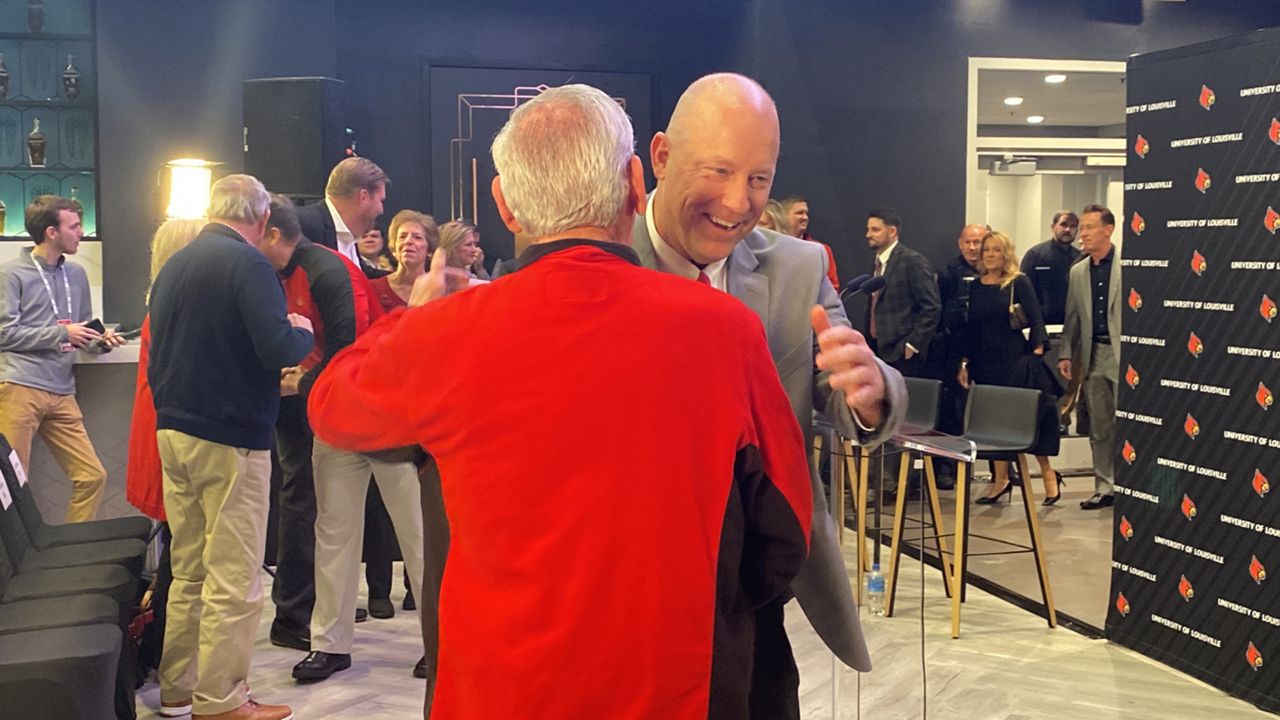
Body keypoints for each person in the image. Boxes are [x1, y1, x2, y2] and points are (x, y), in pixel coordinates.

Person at [308, 83, 814, 719]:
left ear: (506, 206)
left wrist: (413, 317)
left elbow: (331, 404)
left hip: (499, 689)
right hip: (669, 683)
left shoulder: (446, 334)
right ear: (637, 181)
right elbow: (785, 529)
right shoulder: (724, 331)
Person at [632, 73, 907, 718]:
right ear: (663, 157)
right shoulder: (606, 258)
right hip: (635, 595)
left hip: (754, 593)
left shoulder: (798, 266)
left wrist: (870, 390)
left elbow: (852, 390)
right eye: (720, 171)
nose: (738, 200)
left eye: (759, 178)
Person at [148, 174, 313, 720]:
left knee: (189, 569)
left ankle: (177, 689)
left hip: (173, 428)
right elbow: (275, 347)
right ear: (263, 221)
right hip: (230, 435)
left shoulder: (176, 262)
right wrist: (301, 330)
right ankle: (220, 700)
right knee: (235, 575)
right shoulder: (247, 264)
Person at [252, 194, 426, 682]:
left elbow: (352, 349)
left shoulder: (330, 272)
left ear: (271, 233)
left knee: (416, 534)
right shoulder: (276, 275)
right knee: (333, 532)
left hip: (383, 417)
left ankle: (440, 638)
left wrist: (300, 382)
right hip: (335, 419)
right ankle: (331, 643)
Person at [0, 195, 124, 523]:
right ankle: (8, 569)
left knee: (92, 477)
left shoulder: (77, 275)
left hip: (62, 390)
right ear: (51, 232)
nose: (81, 232)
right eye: (75, 226)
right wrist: (61, 334)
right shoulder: (12, 274)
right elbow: (3, 334)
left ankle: (71, 555)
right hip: (20, 387)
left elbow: (83, 335)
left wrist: (101, 342)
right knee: (11, 486)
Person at [125, 217, 204, 680]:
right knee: (182, 554)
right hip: (173, 429)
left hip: (158, 425)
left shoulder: (162, 301)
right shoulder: (180, 306)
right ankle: (162, 651)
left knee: (178, 550)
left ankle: (160, 648)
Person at [956, 231, 1062, 504]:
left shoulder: (1019, 282)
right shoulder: (977, 286)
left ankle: (1049, 475)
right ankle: (1001, 480)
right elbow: (971, 329)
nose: (990, 255)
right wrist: (965, 362)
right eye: (986, 250)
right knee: (995, 424)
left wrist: (1034, 359)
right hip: (984, 363)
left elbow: (1037, 322)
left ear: (1006, 254)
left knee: (1028, 421)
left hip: (1014, 362)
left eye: (996, 250)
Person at [1059, 204, 1121, 510]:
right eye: (1081, 228)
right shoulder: (1078, 271)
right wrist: (1066, 353)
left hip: (1124, 355)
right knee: (1100, 425)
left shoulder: (1129, 265)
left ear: (1108, 229)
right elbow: (1072, 318)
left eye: (1089, 227)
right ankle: (1104, 486)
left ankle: (1133, 485)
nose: (1082, 233)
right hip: (1094, 353)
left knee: (1131, 424)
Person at [930, 222, 988, 489]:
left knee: (988, 409)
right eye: (969, 242)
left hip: (987, 349)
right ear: (960, 243)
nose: (973, 248)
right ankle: (947, 467)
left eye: (979, 242)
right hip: (953, 350)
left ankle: (1001, 470)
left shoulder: (996, 271)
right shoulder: (948, 273)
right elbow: (938, 313)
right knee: (951, 410)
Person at [865, 207, 940, 377]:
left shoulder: (912, 261)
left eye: (875, 229)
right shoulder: (877, 264)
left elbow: (931, 307)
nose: (868, 234)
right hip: (876, 351)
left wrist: (912, 345)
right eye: (868, 229)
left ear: (892, 231)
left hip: (902, 355)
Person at [295, 157, 389, 274]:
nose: (381, 210)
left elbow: (360, 277)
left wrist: (403, 281)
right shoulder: (301, 226)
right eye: (380, 201)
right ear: (363, 197)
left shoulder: (348, 236)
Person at [1021, 211, 1080, 327]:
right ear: (1053, 227)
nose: (1068, 229)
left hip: (1071, 325)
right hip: (1040, 324)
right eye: (1063, 224)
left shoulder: (1080, 258)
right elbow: (1023, 291)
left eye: (1073, 226)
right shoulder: (1035, 255)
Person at [370, 210, 438, 310]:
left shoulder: (438, 290)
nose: (408, 241)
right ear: (394, 248)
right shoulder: (374, 288)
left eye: (417, 237)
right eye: (402, 237)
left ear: (429, 250)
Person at [781, 195, 838, 287]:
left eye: (806, 213)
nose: (805, 217)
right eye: (799, 213)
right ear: (783, 216)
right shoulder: (774, 247)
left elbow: (833, 287)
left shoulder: (822, 250)